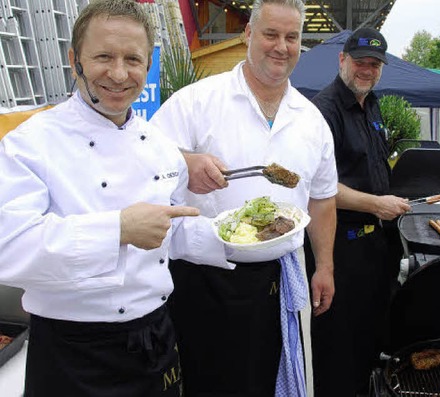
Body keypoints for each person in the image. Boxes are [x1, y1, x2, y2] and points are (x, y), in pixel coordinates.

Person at [0, 1, 233, 395]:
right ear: (74, 59)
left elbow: (170, 235)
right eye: (104, 56)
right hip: (72, 353)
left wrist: (238, 235)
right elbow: (9, 248)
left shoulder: (160, 146)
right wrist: (118, 229)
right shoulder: (30, 144)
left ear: (147, 64)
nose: (120, 74)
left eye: (133, 59)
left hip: (155, 339)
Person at [149, 1, 338, 395]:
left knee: (268, 380)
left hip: (279, 278)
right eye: (271, 34)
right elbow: (142, 164)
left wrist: (325, 267)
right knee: (207, 382)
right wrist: (185, 162)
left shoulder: (311, 119)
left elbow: (321, 198)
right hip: (204, 279)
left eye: (292, 37)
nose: (281, 47)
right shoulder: (196, 101)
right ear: (248, 34)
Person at [307, 27, 411, 396]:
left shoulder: (373, 103)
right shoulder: (323, 111)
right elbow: (317, 188)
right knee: (339, 344)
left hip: (376, 248)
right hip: (340, 249)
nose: (367, 70)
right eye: (360, 62)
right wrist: (375, 204)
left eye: (375, 64)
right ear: (342, 60)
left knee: (370, 334)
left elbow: (372, 164)